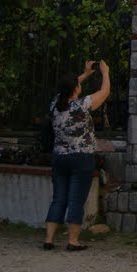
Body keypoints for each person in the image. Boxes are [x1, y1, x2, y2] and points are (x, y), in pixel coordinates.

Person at [43, 59, 110, 251]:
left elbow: (67, 88)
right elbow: (104, 92)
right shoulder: (82, 105)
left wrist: (85, 74)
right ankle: (73, 241)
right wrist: (105, 73)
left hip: (59, 157)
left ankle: (49, 239)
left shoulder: (55, 104)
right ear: (76, 88)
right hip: (81, 158)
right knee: (76, 199)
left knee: (59, 198)